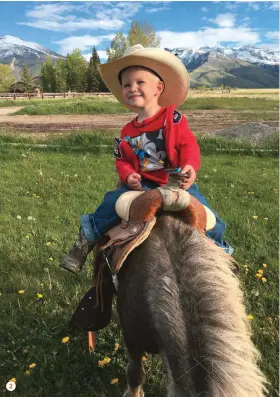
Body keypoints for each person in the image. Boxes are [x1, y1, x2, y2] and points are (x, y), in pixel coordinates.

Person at [60, 44, 233, 275]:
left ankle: (222, 254)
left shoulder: (173, 118)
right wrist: (128, 175)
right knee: (110, 203)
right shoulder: (126, 131)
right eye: (126, 85)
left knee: (210, 217)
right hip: (143, 185)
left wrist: (190, 166)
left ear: (158, 87)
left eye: (140, 82)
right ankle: (85, 242)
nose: (132, 88)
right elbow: (122, 160)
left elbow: (188, 144)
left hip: (176, 181)